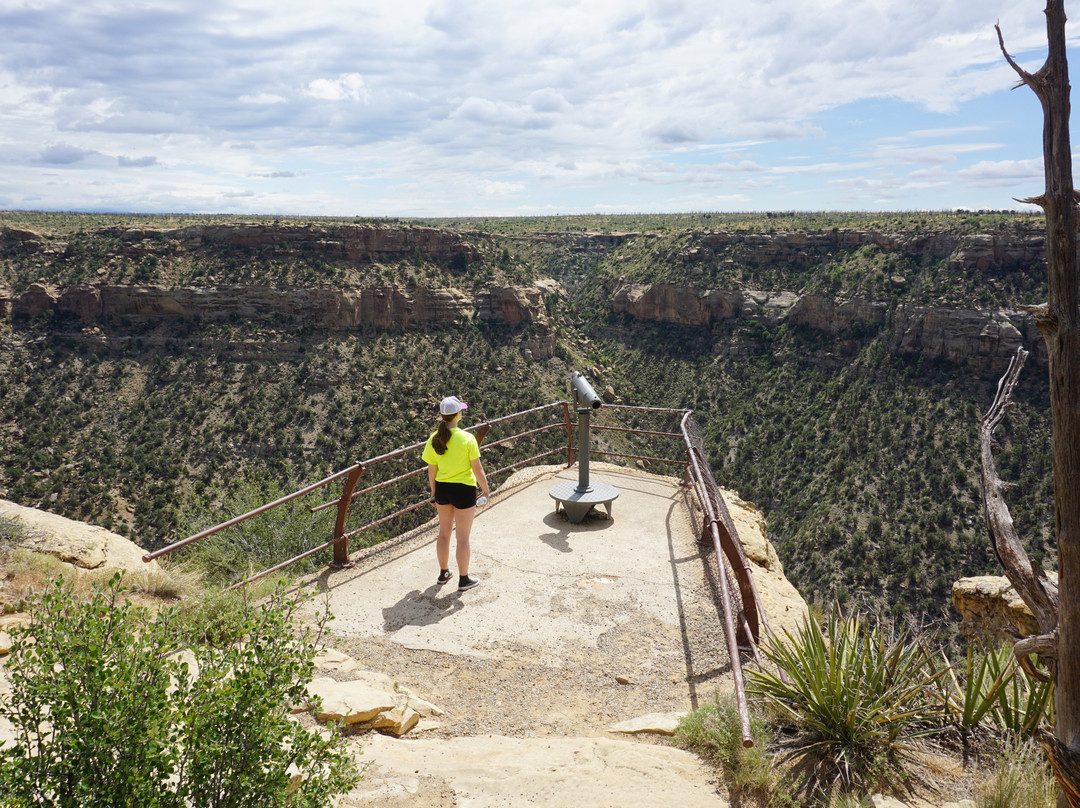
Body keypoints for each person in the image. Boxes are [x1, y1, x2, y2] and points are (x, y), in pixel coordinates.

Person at [422, 395, 491, 591]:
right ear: (459, 414)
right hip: (463, 490)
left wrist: (433, 493)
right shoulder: (468, 439)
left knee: (444, 533)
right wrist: (486, 490)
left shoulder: (434, 438)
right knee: (462, 538)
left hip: (442, 489)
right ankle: (463, 579)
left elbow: (432, 470)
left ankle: (444, 573)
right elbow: (477, 469)